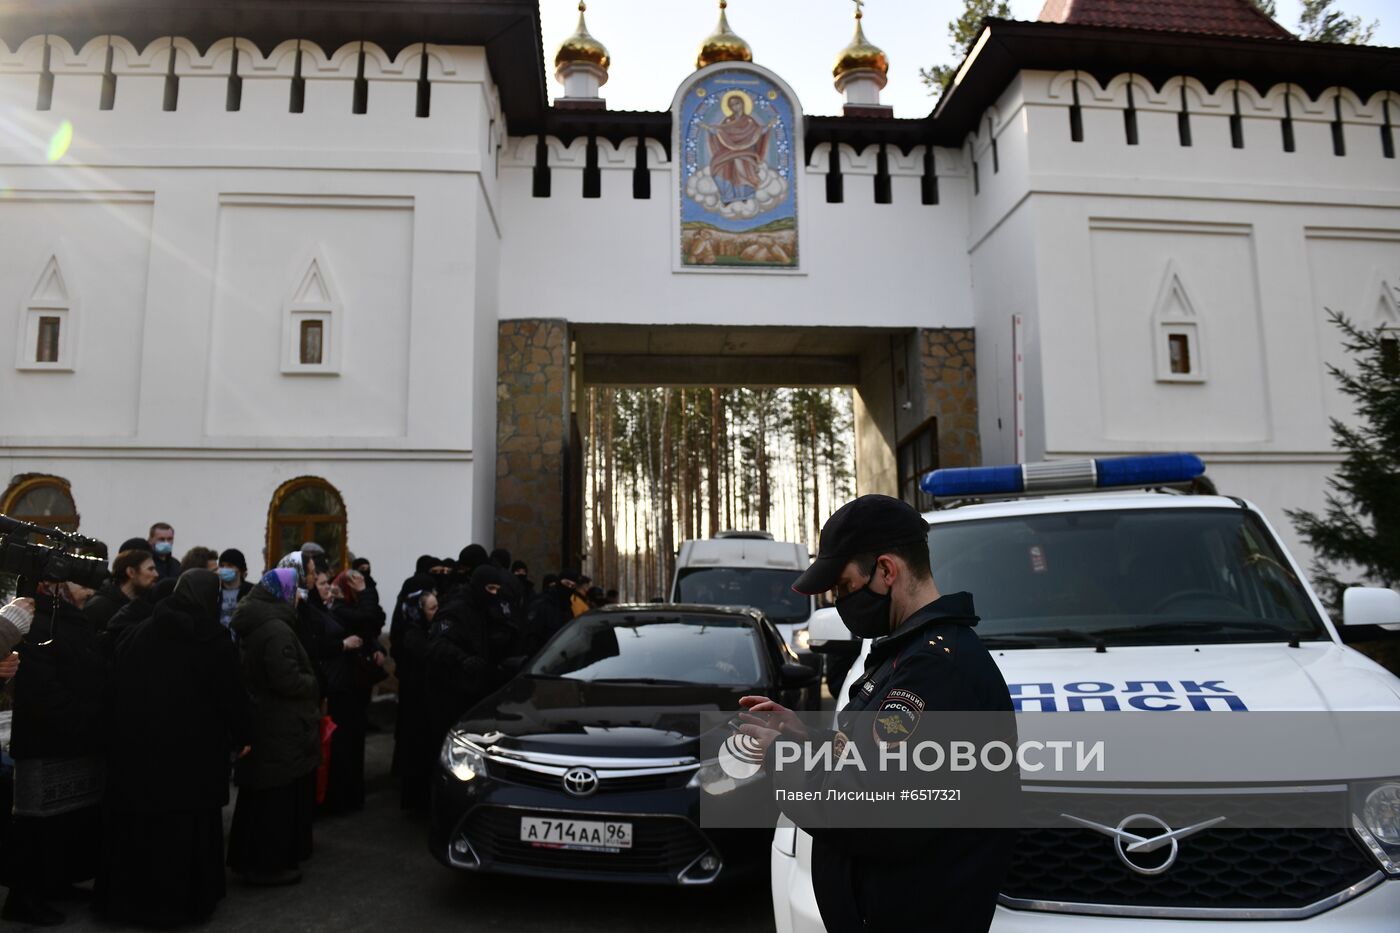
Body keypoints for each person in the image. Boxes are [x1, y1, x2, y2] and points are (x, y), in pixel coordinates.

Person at [736, 495, 1015, 933]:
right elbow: (880, 758)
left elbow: (862, 806)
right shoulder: (905, 655)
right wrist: (805, 736)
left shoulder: (934, 670)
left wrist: (780, 756)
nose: (841, 602)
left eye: (845, 587)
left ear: (886, 571)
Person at [97, 570, 252, 926]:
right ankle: (185, 903)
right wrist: (244, 735)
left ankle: (132, 903)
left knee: (142, 831)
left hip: (139, 753)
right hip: (191, 759)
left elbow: (114, 687)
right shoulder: (212, 639)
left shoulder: (141, 631)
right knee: (186, 832)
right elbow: (231, 697)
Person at [4, 579, 106, 926]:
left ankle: (56, 884)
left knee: (66, 821)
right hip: (46, 739)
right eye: (78, 580)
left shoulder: (72, 617)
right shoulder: (38, 622)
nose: (88, 586)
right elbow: (40, 687)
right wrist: (82, 717)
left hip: (73, 736)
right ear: (54, 587)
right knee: (36, 826)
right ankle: (25, 897)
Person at [227, 569, 320, 885]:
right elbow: (286, 679)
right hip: (279, 722)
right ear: (283, 593)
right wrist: (312, 681)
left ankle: (246, 857)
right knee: (274, 799)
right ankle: (267, 865)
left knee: (259, 793)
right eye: (296, 590)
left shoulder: (257, 620)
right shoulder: (276, 629)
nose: (300, 596)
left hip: (264, 718)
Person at [320, 569, 386, 814]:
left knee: (353, 744)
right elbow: (368, 616)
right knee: (344, 745)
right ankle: (342, 798)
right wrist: (365, 592)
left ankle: (351, 796)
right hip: (343, 686)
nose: (329, 588)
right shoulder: (339, 610)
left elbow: (375, 620)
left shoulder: (347, 609)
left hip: (354, 684)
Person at [391, 584, 438, 810]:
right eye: (431, 608)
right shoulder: (414, 635)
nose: (435, 613)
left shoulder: (425, 632)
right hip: (416, 703)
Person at [84, 548, 157, 631]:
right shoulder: (98, 607)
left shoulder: (147, 606)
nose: (156, 574)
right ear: (131, 572)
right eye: (150, 569)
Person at [218, 548, 255, 631]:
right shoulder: (215, 592)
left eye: (230, 565)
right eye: (222, 566)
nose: (225, 569)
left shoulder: (251, 591)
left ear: (240, 569)